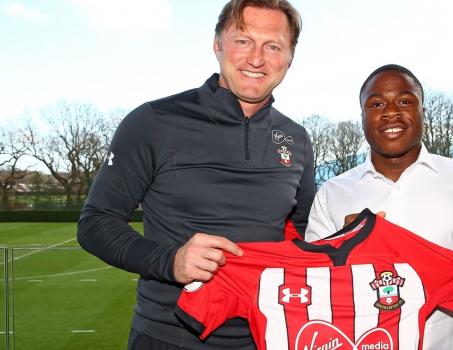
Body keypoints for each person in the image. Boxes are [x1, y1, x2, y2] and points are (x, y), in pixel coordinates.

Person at [77, 1, 314, 349]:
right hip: (169, 337)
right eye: (243, 41)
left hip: (268, 337)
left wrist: (360, 234)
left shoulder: (296, 139)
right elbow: (95, 222)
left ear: (290, 57)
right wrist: (170, 261)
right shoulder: (153, 121)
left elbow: (307, 235)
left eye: (273, 46)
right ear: (218, 44)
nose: (256, 59)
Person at [305, 64, 453, 349]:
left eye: (405, 101)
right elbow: (311, 281)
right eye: (376, 103)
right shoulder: (333, 192)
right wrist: (343, 247)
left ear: (422, 112)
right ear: (363, 117)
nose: (391, 111)